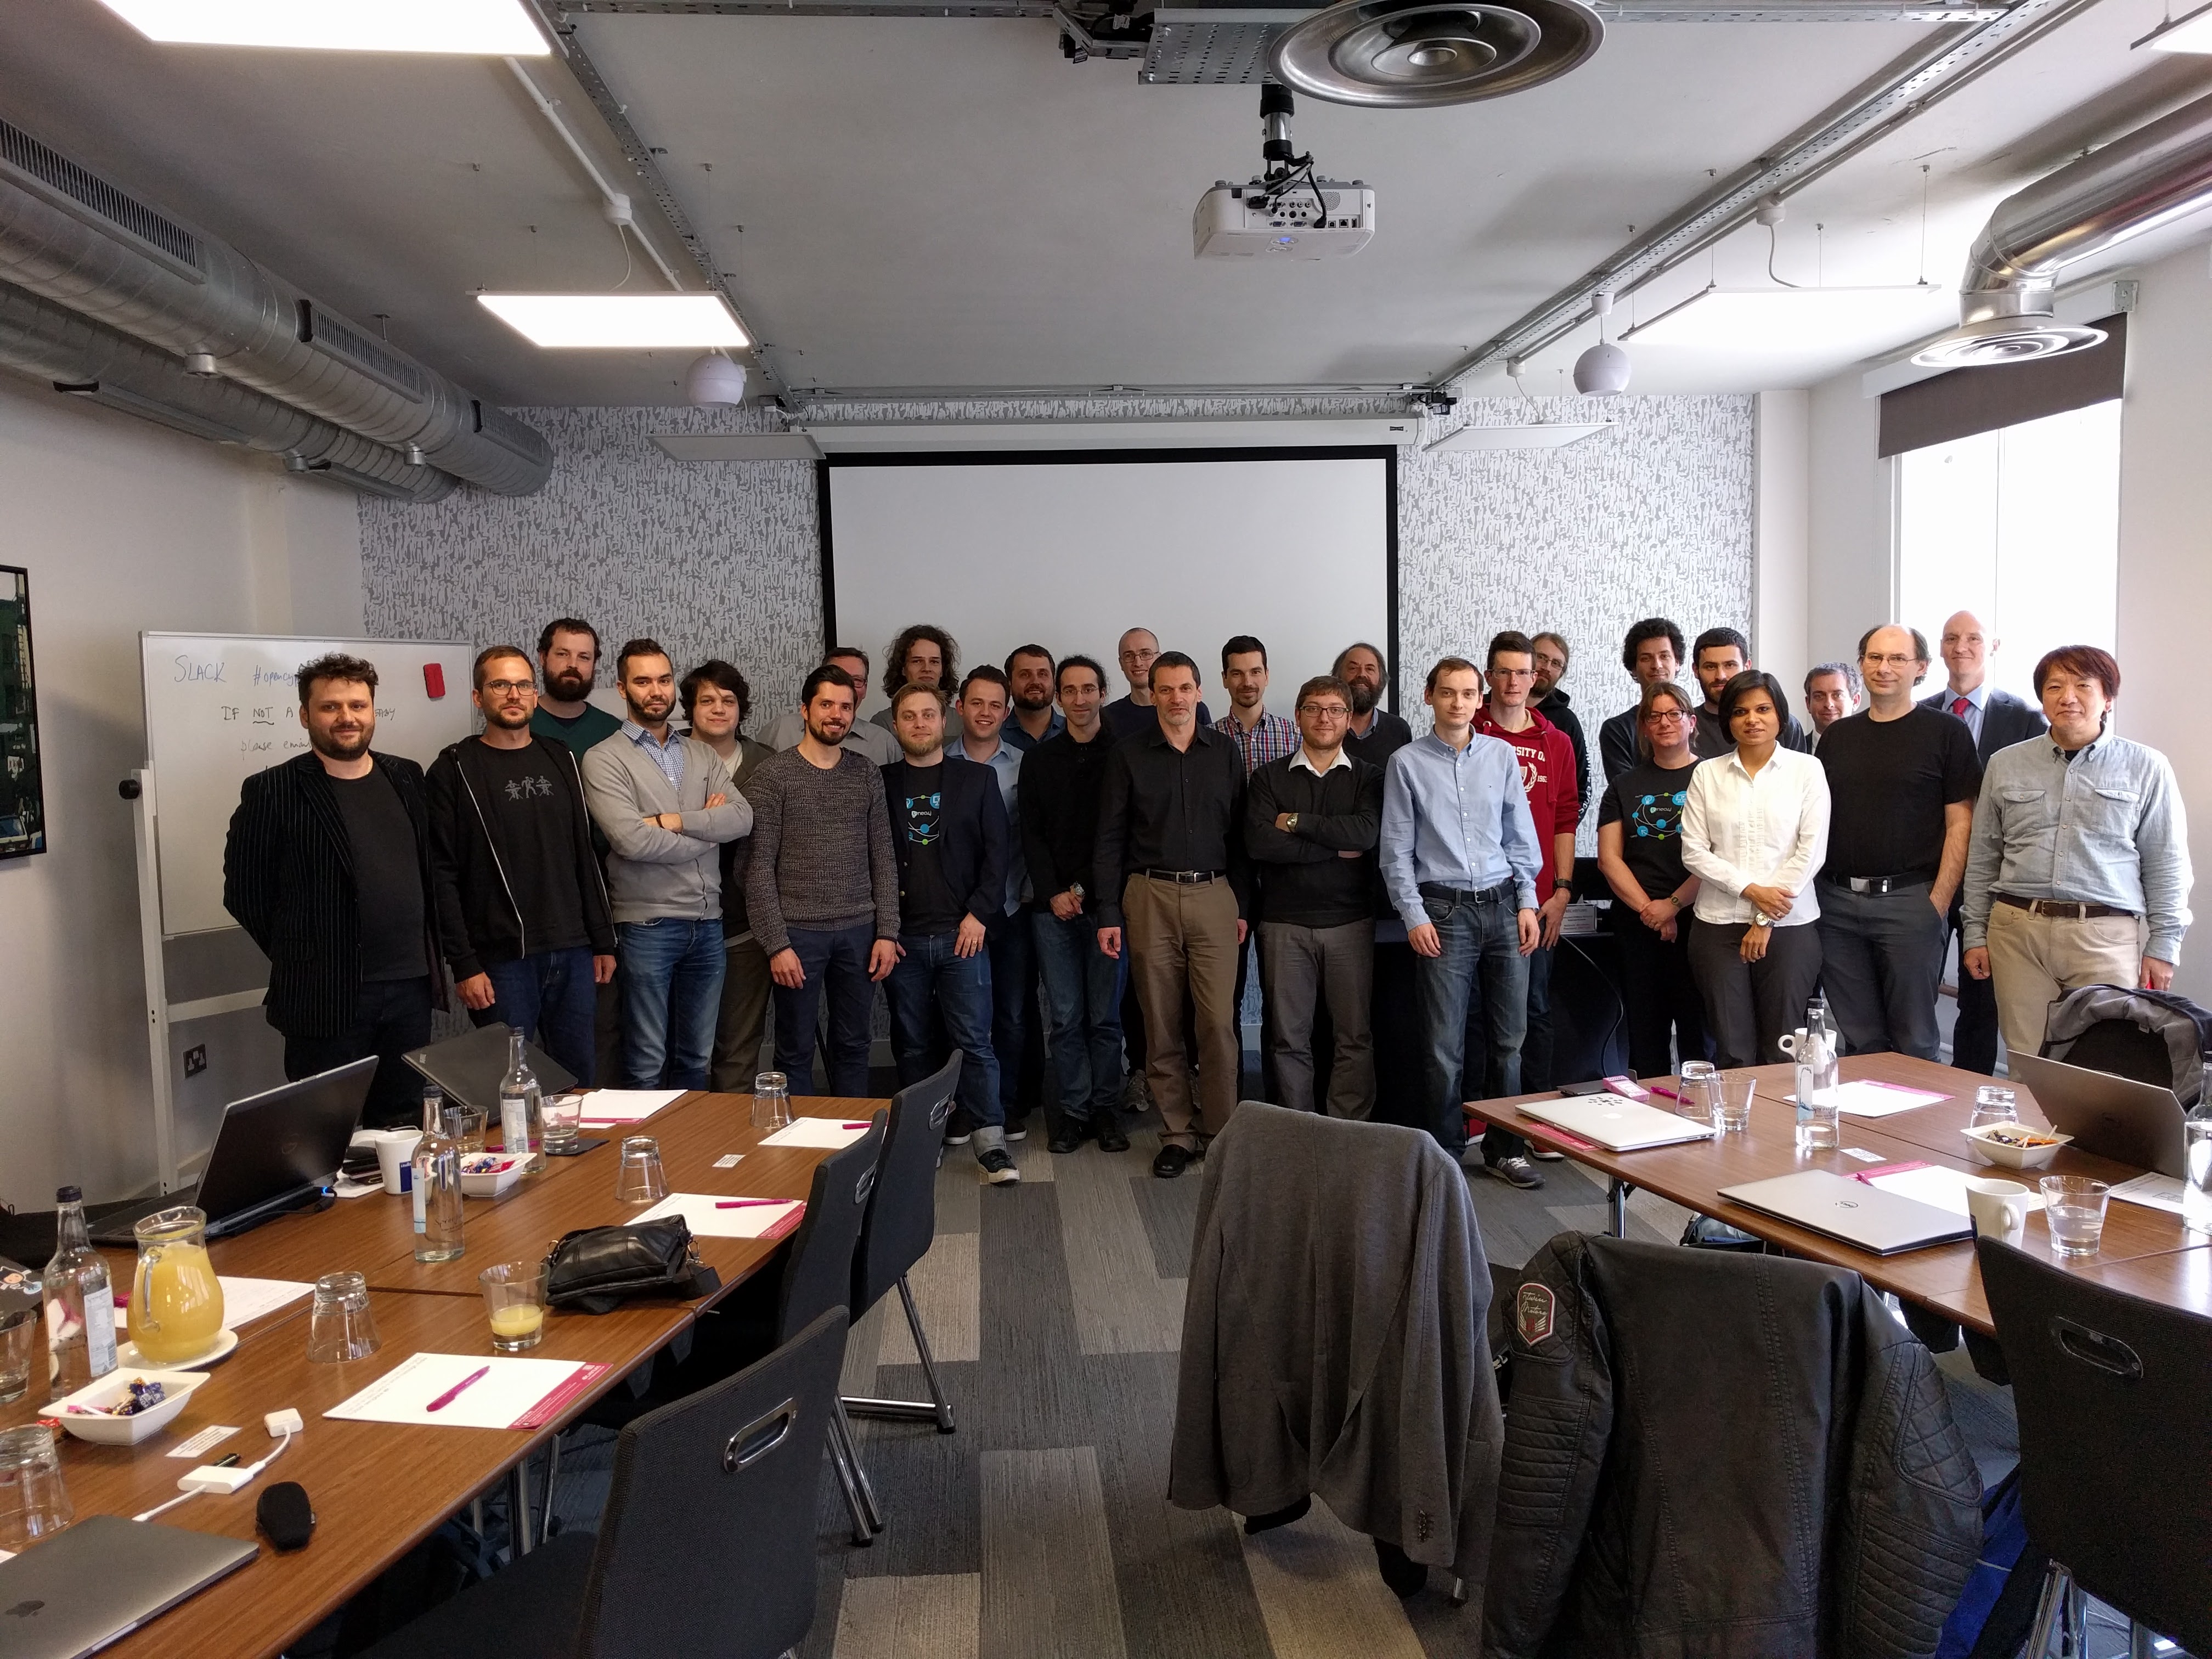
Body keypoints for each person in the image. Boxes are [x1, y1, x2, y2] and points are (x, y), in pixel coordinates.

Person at [223, 653, 442, 1127]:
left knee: (403, 1124)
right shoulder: (273, 790)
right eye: (331, 707)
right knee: (324, 1129)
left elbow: (428, 870)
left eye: (358, 705)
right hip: (325, 994)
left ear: (372, 711)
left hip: (409, 987)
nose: (347, 717)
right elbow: (244, 892)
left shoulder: (406, 776)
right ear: (306, 715)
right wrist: (305, 952)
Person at [1962, 646, 2193, 1058]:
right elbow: (1983, 857)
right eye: (2055, 687)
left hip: (2103, 936)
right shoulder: (2005, 764)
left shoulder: (2146, 766)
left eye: (2083, 686)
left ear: (2108, 699)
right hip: (2017, 933)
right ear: (2042, 699)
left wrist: (2163, 945)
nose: (2068, 697)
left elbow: (2167, 863)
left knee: (2101, 1064)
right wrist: (1975, 933)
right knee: (2027, 1062)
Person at [1379, 656, 1543, 1186]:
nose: (1458, 702)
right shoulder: (1406, 762)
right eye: (1447, 692)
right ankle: (1447, 1152)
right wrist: (1413, 915)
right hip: (1443, 913)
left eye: (1468, 693)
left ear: (1480, 699)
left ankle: (1504, 1149)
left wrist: (1527, 901)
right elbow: (1396, 850)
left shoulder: (1500, 756)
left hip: (1505, 907)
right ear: (1429, 696)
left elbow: (1520, 834)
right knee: (1443, 1045)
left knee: (1510, 1041)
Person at [426, 645, 616, 1087]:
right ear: (479, 698)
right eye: (500, 685)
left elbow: (584, 853)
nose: (514, 694)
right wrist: (464, 964)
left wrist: (603, 940)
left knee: (579, 1081)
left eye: (523, 685)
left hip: (573, 949)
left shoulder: (560, 757)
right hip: (501, 959)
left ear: (534, 694)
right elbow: (442, 875)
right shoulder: (454, 768)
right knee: (509, 1087)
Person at [1094, 651, 1249, 1179]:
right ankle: (1178, 1133)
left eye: (1185, 688)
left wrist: (1242, 904)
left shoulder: (1224, 752)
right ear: (1153, 694)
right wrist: (1108, 911)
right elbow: (1110, 837)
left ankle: (1221, 1134)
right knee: (1160, 1022)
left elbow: (1240, 836)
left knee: (1218, 1023)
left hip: (1215, 894)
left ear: (1200, 692)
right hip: (1149, 895)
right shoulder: (1127, 754)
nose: (1176, 698)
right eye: (1166, 689)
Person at [580, 640, 751, 1090]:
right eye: (643, 681)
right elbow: (631, 841)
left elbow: (741, 818)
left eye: (664, 680)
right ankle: (646, 1138)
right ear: (622, 689)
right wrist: (708, 832)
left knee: (696, 1058)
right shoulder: (603, 758)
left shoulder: (701, 754)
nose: (656, 691)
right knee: (646, 1060)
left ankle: (689, 1137)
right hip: (647, 925)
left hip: (708, 924)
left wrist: (674, 822)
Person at [1813, 626, 1981, 1062]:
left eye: (1897, 659)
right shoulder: (1837, 737)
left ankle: (1919, 1111)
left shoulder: (1947, 732)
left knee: (1915, 1040)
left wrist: (1938, 902)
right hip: (1837, 906)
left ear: (1921, 667)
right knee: (1859, 1039)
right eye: (1874, 657)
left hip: (1910, 902)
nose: (1883, 668)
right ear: (1862, 664)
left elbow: (1961, 823)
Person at [881, 683, 1019, 1184]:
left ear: (945, 721)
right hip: (903, 938)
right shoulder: (880, 782)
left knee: (975, 1042)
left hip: (965, 934)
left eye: (928, 715)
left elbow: (998, 854)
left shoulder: (977, 779)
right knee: (913, 1045)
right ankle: (924, 1139)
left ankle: (991, 1142)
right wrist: (884, 927)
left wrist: (979, 914)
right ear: (896, 724)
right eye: (909, 716)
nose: (919, 723)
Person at [744, 664, 902, 1096]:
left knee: (854, 1044)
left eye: (846, 707)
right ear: (805, 710)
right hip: (797, 936)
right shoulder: (774, 776)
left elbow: (884, 858)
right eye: (827, 704)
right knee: (795, 1049)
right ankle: (801, 1136)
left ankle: (853, 1134)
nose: (837, 715)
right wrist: (776, 944)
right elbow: (757, 869)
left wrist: (887, 932)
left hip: (859, 932)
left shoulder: (866, 773)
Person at [1245, 675, 1382, 1118]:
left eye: (1335, 710)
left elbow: (1364, 834)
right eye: (1314, 709)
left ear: (1348, 718)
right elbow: (1260, 844)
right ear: (1298, 716)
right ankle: (1297, 1127)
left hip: (1350, 924)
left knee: (1354, 1037)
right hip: (1283, 923)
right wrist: (1332, 848)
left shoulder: (1369, 777)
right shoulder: (1267, 778)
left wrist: (1296, 822)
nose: (1325, 718)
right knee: (1288, 1038)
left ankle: (1348, 1128)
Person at [1681, 671, 1830, 1066]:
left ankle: (1780, 1113)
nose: (1752, 719)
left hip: (1790, 927)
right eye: (1740, 711)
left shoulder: (1807, 770)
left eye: (1763, 709)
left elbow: (1810, 852)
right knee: (1732, 1050)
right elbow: (1694, 852)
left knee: (1782, 1046)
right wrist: (1751, 890)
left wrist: (1764, 917)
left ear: (1780, 714)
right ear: (1727, 720)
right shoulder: (1707, 774)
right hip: (1718, 926)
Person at [1920, 609, 2046, 1073]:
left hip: (1994, 879)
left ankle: (1968, 1091)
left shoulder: (2027, 719)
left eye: (1973, 638)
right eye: (1951, 638)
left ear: (1993, 646)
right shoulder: (1920, 715)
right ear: (1939, 648)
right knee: (1916, 993)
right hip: (1929, 875)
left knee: (1981, 1000)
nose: (1962, 647)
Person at [1023, 656, 1129, 1153]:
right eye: (1070, 691)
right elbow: (1032, 835)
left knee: (1105, 1017)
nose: (1080, 699)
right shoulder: (1040, 759)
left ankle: (1106, 1109)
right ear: (1059, 698)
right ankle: (1072, 1111)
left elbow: (1122, 835)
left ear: (1103, 693)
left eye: (1089, 689)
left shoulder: (1125, 755)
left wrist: (1083, 892)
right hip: (1053, 911)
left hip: (1108, 907)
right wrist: (1054, 893)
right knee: (1065, 1018)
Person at [1472, 633, 1581, 1107]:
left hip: (1534, 900)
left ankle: (1534, 1116)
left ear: (1535, 677)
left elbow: (1565, 819)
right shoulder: (1469, 730)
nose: (1513, 682)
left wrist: (1561, 891)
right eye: (1504, 672)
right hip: (1474, 895)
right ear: (1489, 677)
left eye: (1522, 672)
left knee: (1533, 1008)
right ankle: (1479, 1118)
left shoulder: (1557, 743)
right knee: (1475, 1012)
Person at [1595, 681, 1708, 1081]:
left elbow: (1719, 856)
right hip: (1638, 923)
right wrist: (1652, 911)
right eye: (1654, 716)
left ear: (1691, 722)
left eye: (1675, 714)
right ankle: (1652, 1114)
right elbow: (1609, 859)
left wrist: (1673, 905)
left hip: (1701, 920)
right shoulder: (1624, 785)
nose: (1665, 723)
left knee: (1700, 1032)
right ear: (1643, 726)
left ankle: (1701, 1110)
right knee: (1646, 1034)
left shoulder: (1713, 778)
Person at [952, 666, 1042, 1141]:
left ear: (1006, 712)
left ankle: (1003, 1106)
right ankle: (964, 1107)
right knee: (962, 1019)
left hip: (1010, 908)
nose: (985, 713)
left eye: (995, 705)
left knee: (1011, 1014)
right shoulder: (940, 761)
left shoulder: (1027, 765)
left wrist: (1026, 890)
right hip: (957, 915)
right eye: (977, 703)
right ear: (959, 708)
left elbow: (1037, 836)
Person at [681, 660, 778, 1091]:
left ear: (741, 709)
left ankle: (732, 1129)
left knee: (738, 1047)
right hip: (678, 926)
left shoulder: (766, 763)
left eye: (728, 700)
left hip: (746, 928)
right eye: (707, 700)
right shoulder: (664, 758)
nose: (719, 709)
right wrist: (707, 820)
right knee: (681, 1046)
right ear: (690, 708)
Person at [1217, 635, 1299, 1097]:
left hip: (1283, 882)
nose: (1247, 681)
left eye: (1255, 672)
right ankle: (1226, 1096)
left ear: (1266, 676)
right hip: (1226, 882)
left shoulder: (1295, 735)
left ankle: (1277, 1096)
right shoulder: (1208, 738)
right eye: (1237, 673)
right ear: (1224, 679)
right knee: (1225, 995)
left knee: (1282, 996)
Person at [762, 647, 899, 765]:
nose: (846, 687)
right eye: (836, 677)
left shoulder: (883, 743)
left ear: (865, 688)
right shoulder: (781, 730)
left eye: (856, 680)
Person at [1689, 628, 1809, 759]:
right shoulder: (1685, 726)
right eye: (1710, 667)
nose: (1721, 676)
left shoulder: (1784, 725)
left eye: (1730, 665)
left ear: (1747, 667)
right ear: (1696, 670)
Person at [1598, 618, 1687, 784]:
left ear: (1677, 663)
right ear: (1633, 668)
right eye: (1646, 658)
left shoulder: (1693, 722)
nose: (1657, 665)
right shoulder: (1618, 729)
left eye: (1664, 656)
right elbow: (1625, 791)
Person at [531, 618, 622, 759]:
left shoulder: (614, 731)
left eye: (584, 657)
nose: (573, 664)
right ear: (543, 658)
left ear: (594, 664)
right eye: (563, 654)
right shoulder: (519, 722)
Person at [1103, 627, 1213, 740]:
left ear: (1159, 658)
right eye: (1129, 656)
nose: (1138, 663)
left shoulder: (1193, 709)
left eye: (1146, 654)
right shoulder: (1108, 717)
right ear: (1121, 663)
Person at [1530, 630, 1590, 819]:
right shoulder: (1488, 710)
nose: (1547, 667)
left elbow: (1582, 789)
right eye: (1541, 657)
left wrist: (1563, 830)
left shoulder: (1567, 722)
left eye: (1556, 663)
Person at [1335, 641, 1413, 765]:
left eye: (1370, 669)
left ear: (1381, 680)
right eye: (1353, 668)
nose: (1362, 674)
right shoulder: (1324, 726)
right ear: (1337, 677)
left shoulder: (1399, 730)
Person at [871, 624, 958, 733]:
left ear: (942, 670)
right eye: (917, 661)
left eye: (934, 662)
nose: (927, 668)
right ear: (903, 669)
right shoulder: (882, 724)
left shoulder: (960, 722)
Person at [1003, 644, 1065, 752]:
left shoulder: (1074, 732)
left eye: (1043, 674)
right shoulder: (995, 736)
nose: (1035, 682)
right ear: (1010, 686)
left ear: (1054, 684)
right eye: (1025, 675)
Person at [1803, 662, 1863, 751]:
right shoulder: (1792, 751)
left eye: (1838, 695)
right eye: (1819, 696)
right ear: (1808, 703)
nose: (1828, 704)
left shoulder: (1870, 749)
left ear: (1855, 701)